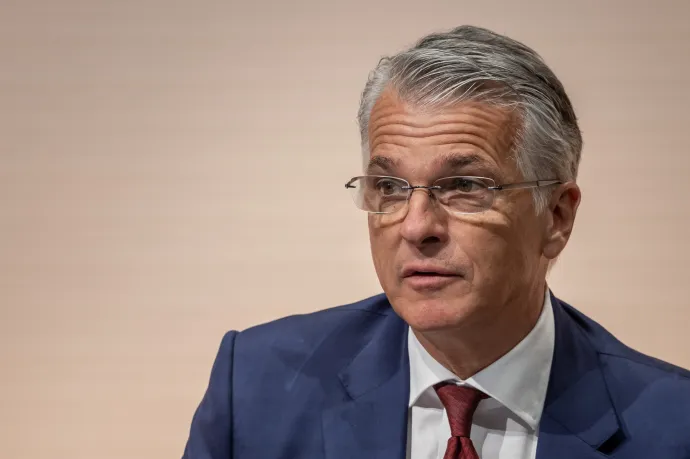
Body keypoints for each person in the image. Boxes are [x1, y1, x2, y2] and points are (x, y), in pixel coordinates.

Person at [182, 25, 690, 459]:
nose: (416, 226)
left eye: (464, 186)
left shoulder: (673, 426)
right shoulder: (257, 386)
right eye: (389, 187)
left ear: (556, 217)